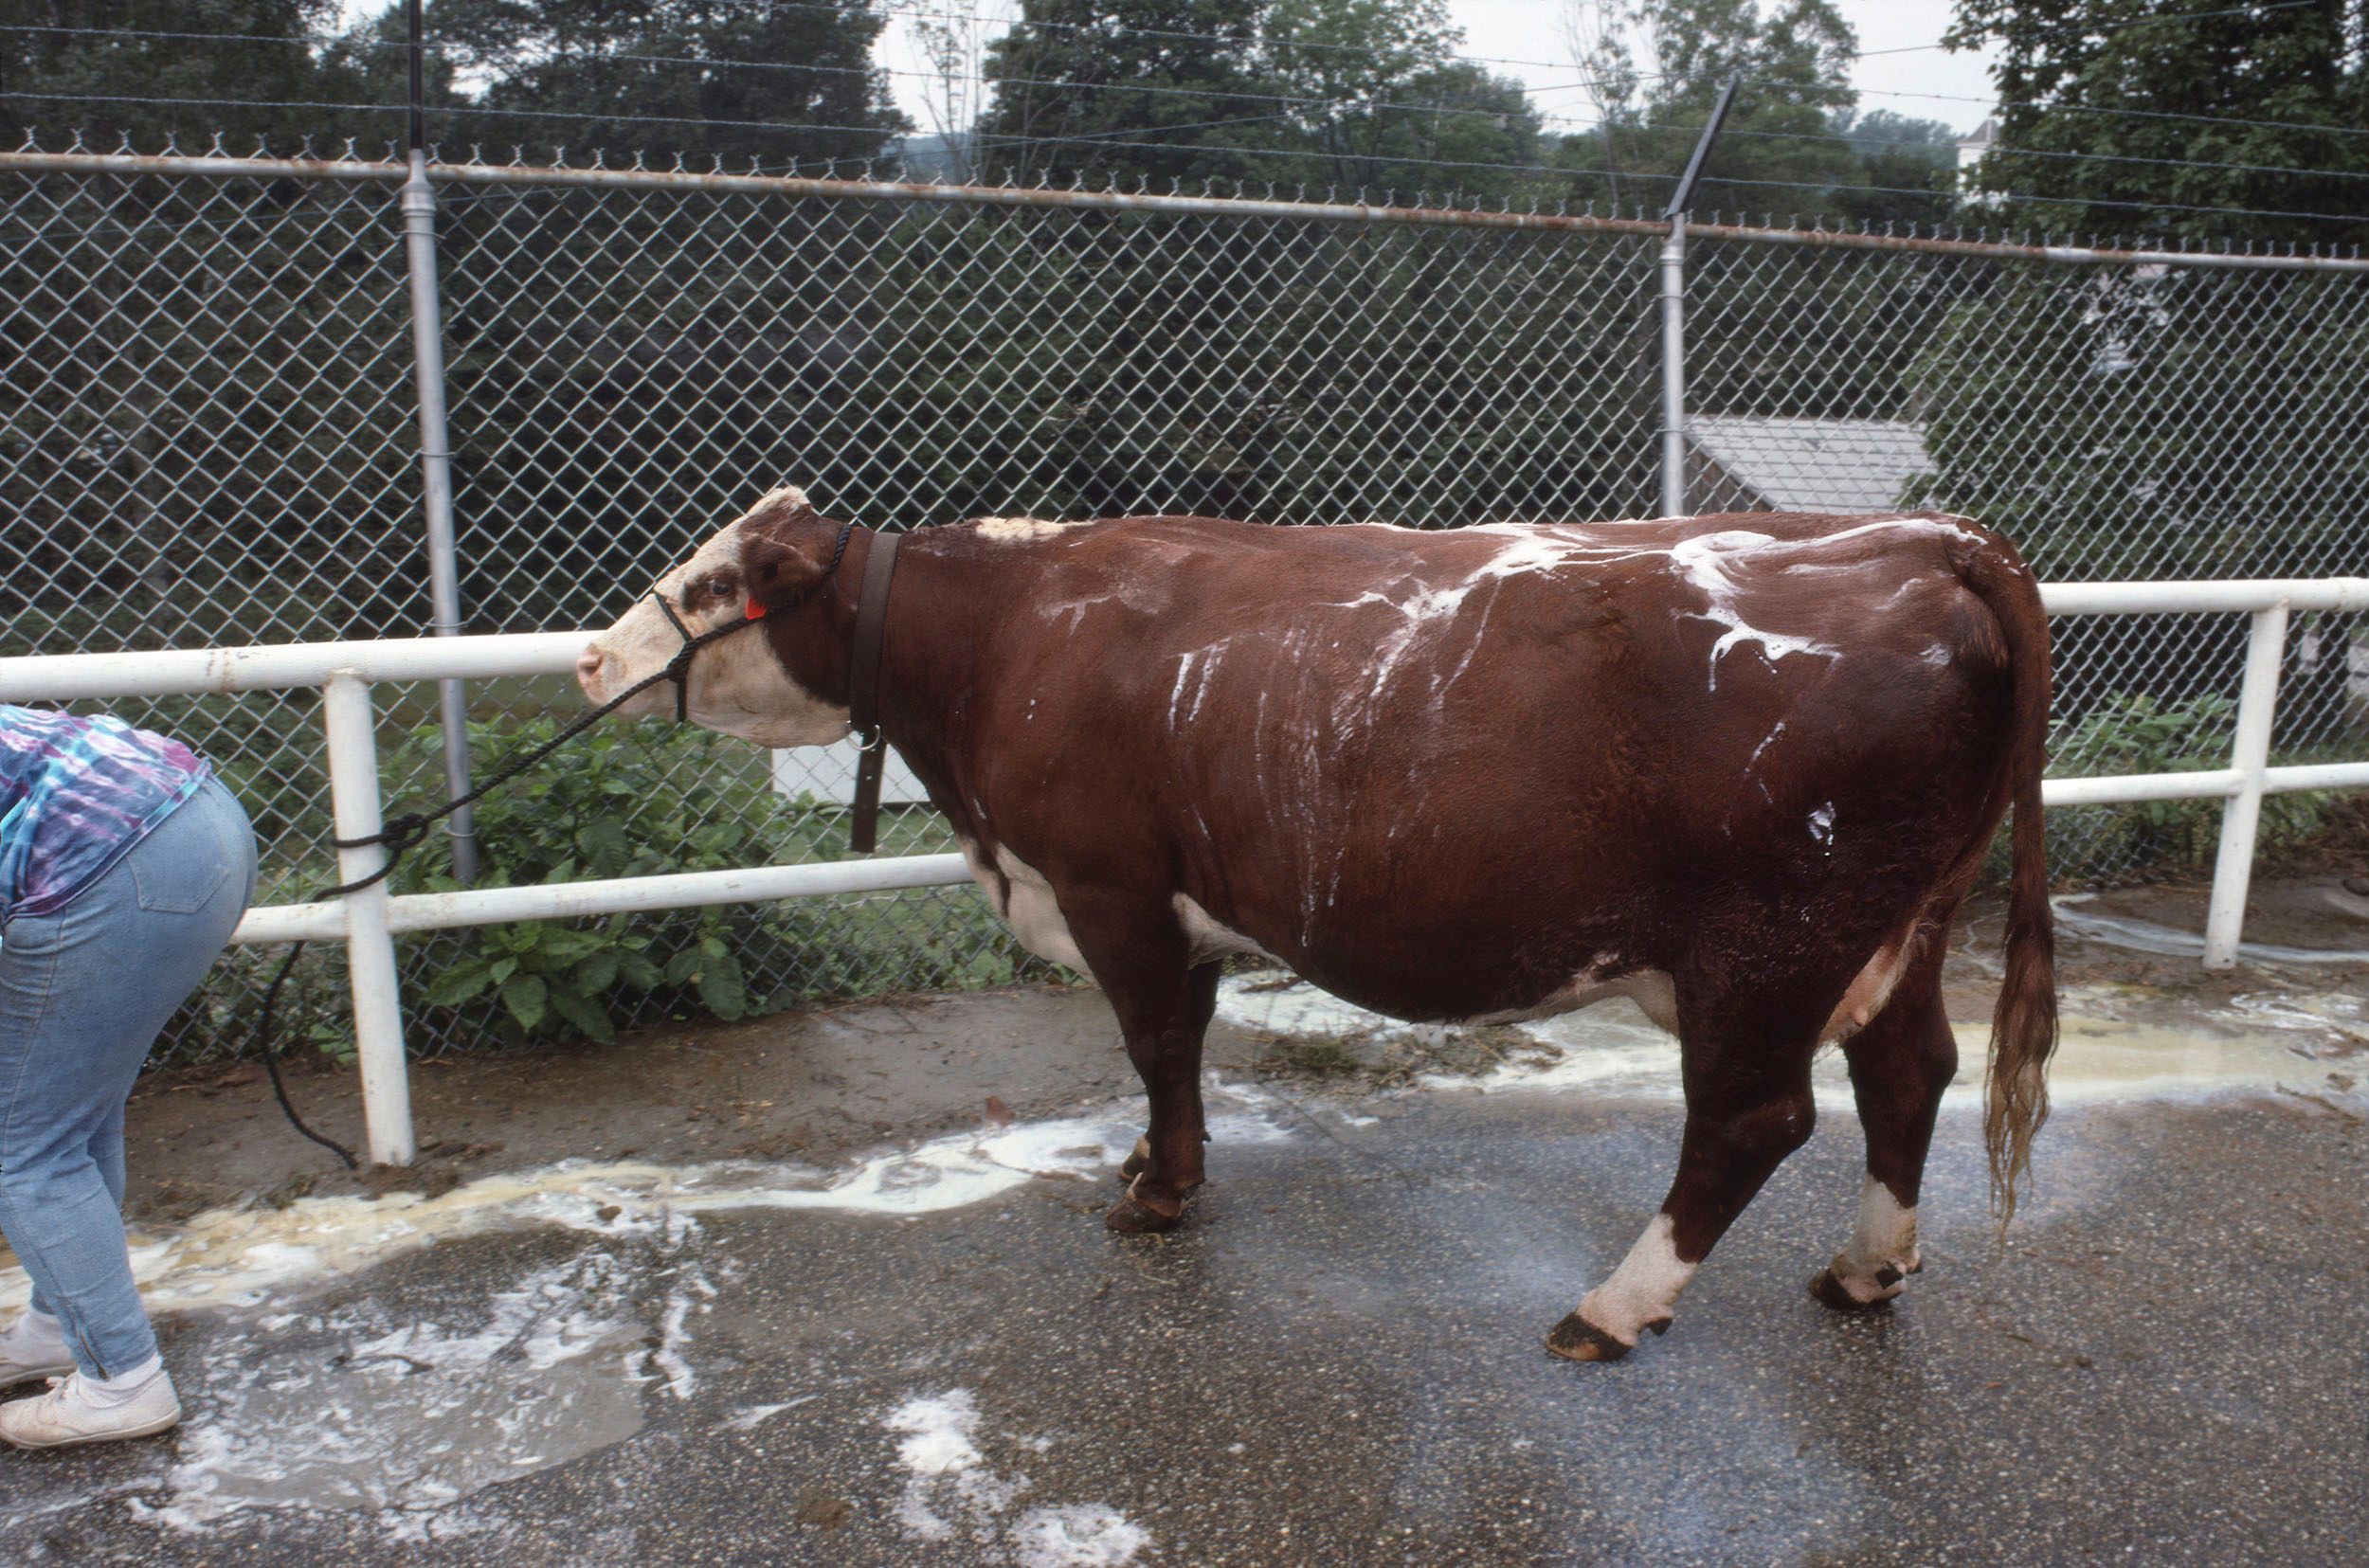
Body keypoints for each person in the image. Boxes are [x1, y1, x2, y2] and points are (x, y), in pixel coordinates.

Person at [0, 705, 255, 1450]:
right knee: (67, 1119)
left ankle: (123, 1383)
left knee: (23, 1146)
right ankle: (56, 1327)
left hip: (118, 867)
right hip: (201, 821)